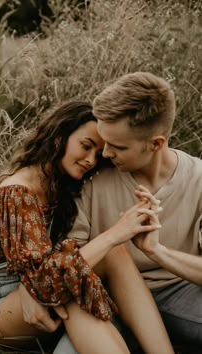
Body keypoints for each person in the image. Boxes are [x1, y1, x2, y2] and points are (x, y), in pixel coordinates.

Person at [0, 101, 175, 354]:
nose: (91, 160)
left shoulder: (62, 183)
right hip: (0, 309)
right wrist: (115, 233)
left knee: (107, 259)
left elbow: (53, 273)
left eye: (97, 153)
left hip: (43, 289)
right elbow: (44, 282)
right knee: (83, 276)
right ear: (59, 136)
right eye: (86, 146)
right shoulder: (15, 193)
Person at [53, 71, 202, 353]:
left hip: (180, 293)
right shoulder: (90, 177)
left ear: (156, 143)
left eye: (117, 146)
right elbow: (67, 261)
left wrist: (158, 252)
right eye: (103, 140)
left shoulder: (199, 179)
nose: (104, 153)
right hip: (109, 300)